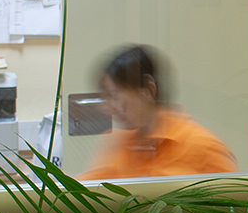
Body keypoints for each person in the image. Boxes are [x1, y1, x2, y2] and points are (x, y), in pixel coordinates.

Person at [78, 44, 237, 180]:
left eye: (114, 96)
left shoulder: (202, 147)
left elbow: (232, 209)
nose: (108, 108)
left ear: (147, 89)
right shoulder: (118, 143)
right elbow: (83, 195)